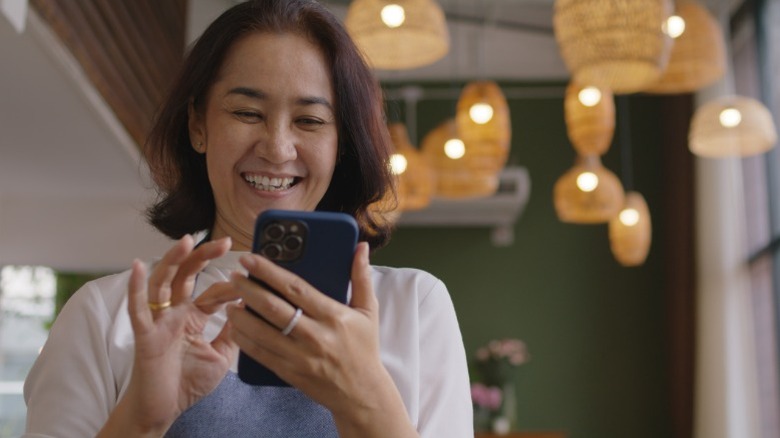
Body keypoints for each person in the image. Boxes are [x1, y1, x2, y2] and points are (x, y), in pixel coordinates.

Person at [22, 0, 472, 437]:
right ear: (198, 126)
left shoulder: (414, 307)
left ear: (342, 144)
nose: (277, 148)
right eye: (247, 113)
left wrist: (365, 395)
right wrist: (141, 421)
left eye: (310, 120)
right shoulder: (107, 314)